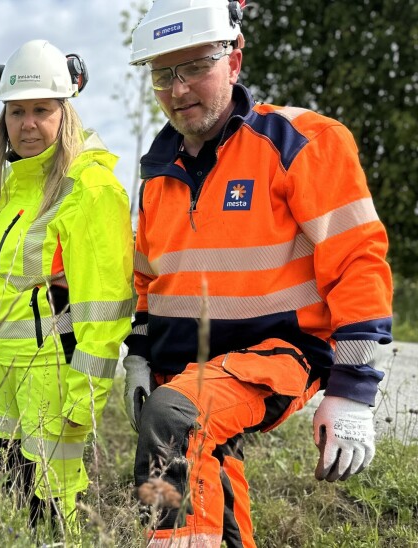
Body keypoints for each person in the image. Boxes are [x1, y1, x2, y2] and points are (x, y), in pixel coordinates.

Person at [122, 1, 394, 546]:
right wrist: (139, 354)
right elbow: (150, 281)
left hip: (278, 355)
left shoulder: (302, 141)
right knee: (208, 467)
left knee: (175, 422)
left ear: (235, 60)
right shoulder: (156, 170)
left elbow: (358, 260)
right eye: (163, 74)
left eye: (196, 65)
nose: (178, 89)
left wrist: (353, 390)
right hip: (185, 367)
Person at [0, 39, 133, 538]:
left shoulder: (90, 189)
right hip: (4, 380)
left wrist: (85, 397)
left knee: (56, 517)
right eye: (17, 112)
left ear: (66, 113)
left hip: (54, 380)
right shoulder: (3, 191)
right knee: (11, 508)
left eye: (42, 109)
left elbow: (104, 306)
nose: (28, 124)